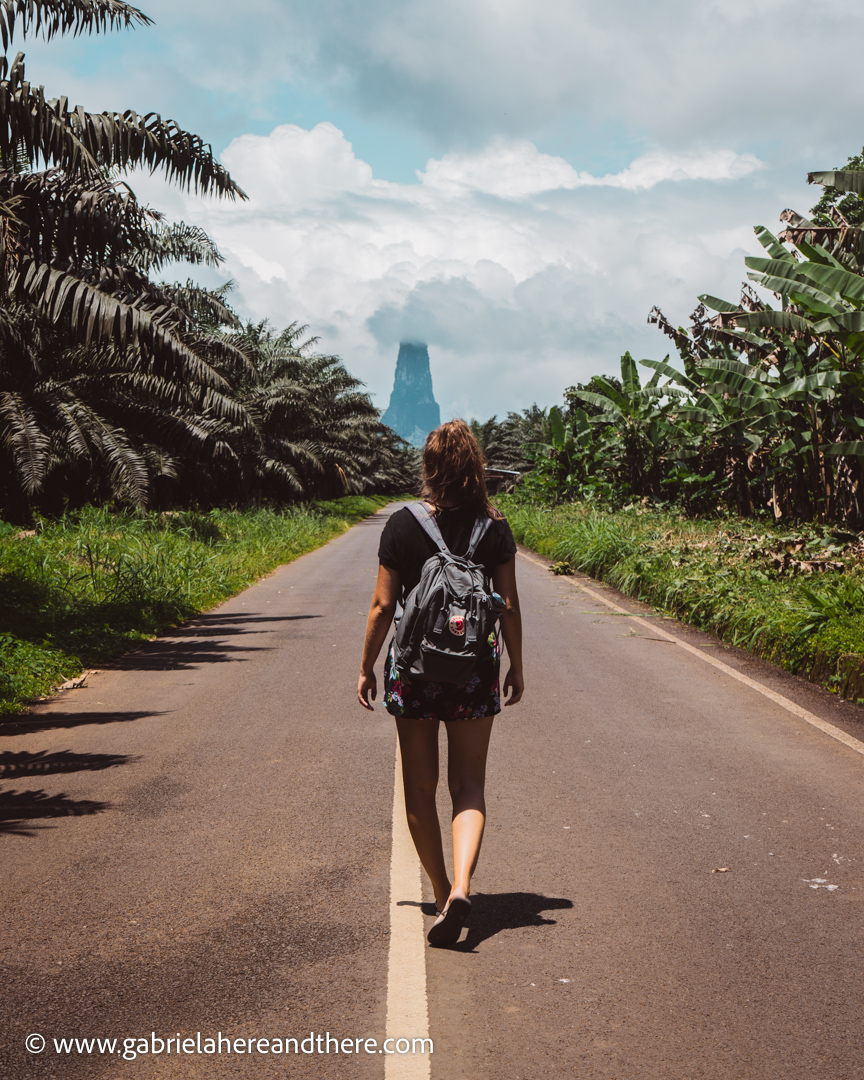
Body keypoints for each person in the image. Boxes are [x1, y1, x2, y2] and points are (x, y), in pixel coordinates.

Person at [357, 419, 524, 947]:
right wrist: (517, 665)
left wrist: (366, 666)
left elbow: (384, 605)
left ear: (428, 468)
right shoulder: (494, 527)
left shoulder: (402, 525)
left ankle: (440, 889)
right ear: (475, 467)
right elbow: (509, 606)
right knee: (468, 786)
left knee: (420, 789)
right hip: (475, 671)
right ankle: (465, 887)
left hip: (414, 671)